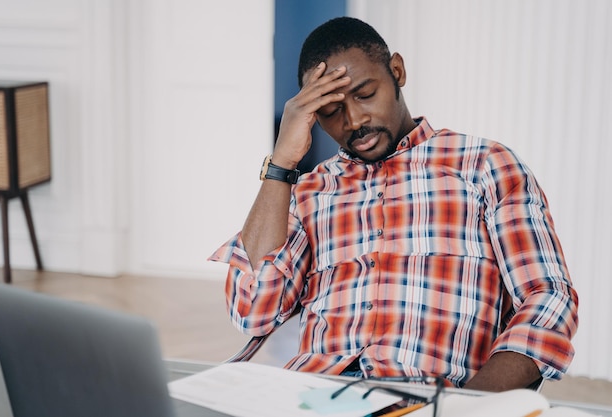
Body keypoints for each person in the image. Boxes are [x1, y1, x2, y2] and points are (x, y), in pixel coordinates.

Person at [210, 16, 578, 391]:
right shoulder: (308, 192)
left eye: (366, 94)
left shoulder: (484, 166)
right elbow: (252, 312)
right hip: (313, 394)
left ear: (397, 71)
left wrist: (471, 406)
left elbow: (548, 299)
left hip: (426, 395)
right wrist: (281, 165)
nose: (354, 121)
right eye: (331, 111)